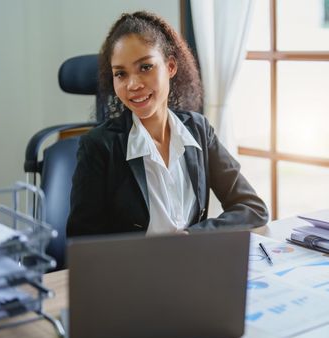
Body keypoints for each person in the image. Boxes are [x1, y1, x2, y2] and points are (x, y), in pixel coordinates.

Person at [66, 11, 268, 237]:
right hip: (133, 270)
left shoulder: (198, 130)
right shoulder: (98, 146)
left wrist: (195, 236)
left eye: (145, 67)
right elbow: (81, 241)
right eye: (121, 74)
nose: (132, 84)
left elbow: (252, 208)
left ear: (170, 67)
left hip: (192, 263)